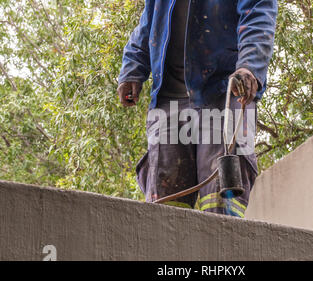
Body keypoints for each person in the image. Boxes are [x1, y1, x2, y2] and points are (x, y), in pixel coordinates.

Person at [117, 0, 278, 217]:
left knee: (222, 198)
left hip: (224, 94)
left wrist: (249, 66)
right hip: (169, 101)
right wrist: (132, 69)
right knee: (165, 209)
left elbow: (258, 15)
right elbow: (147, 24)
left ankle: (223, 246)